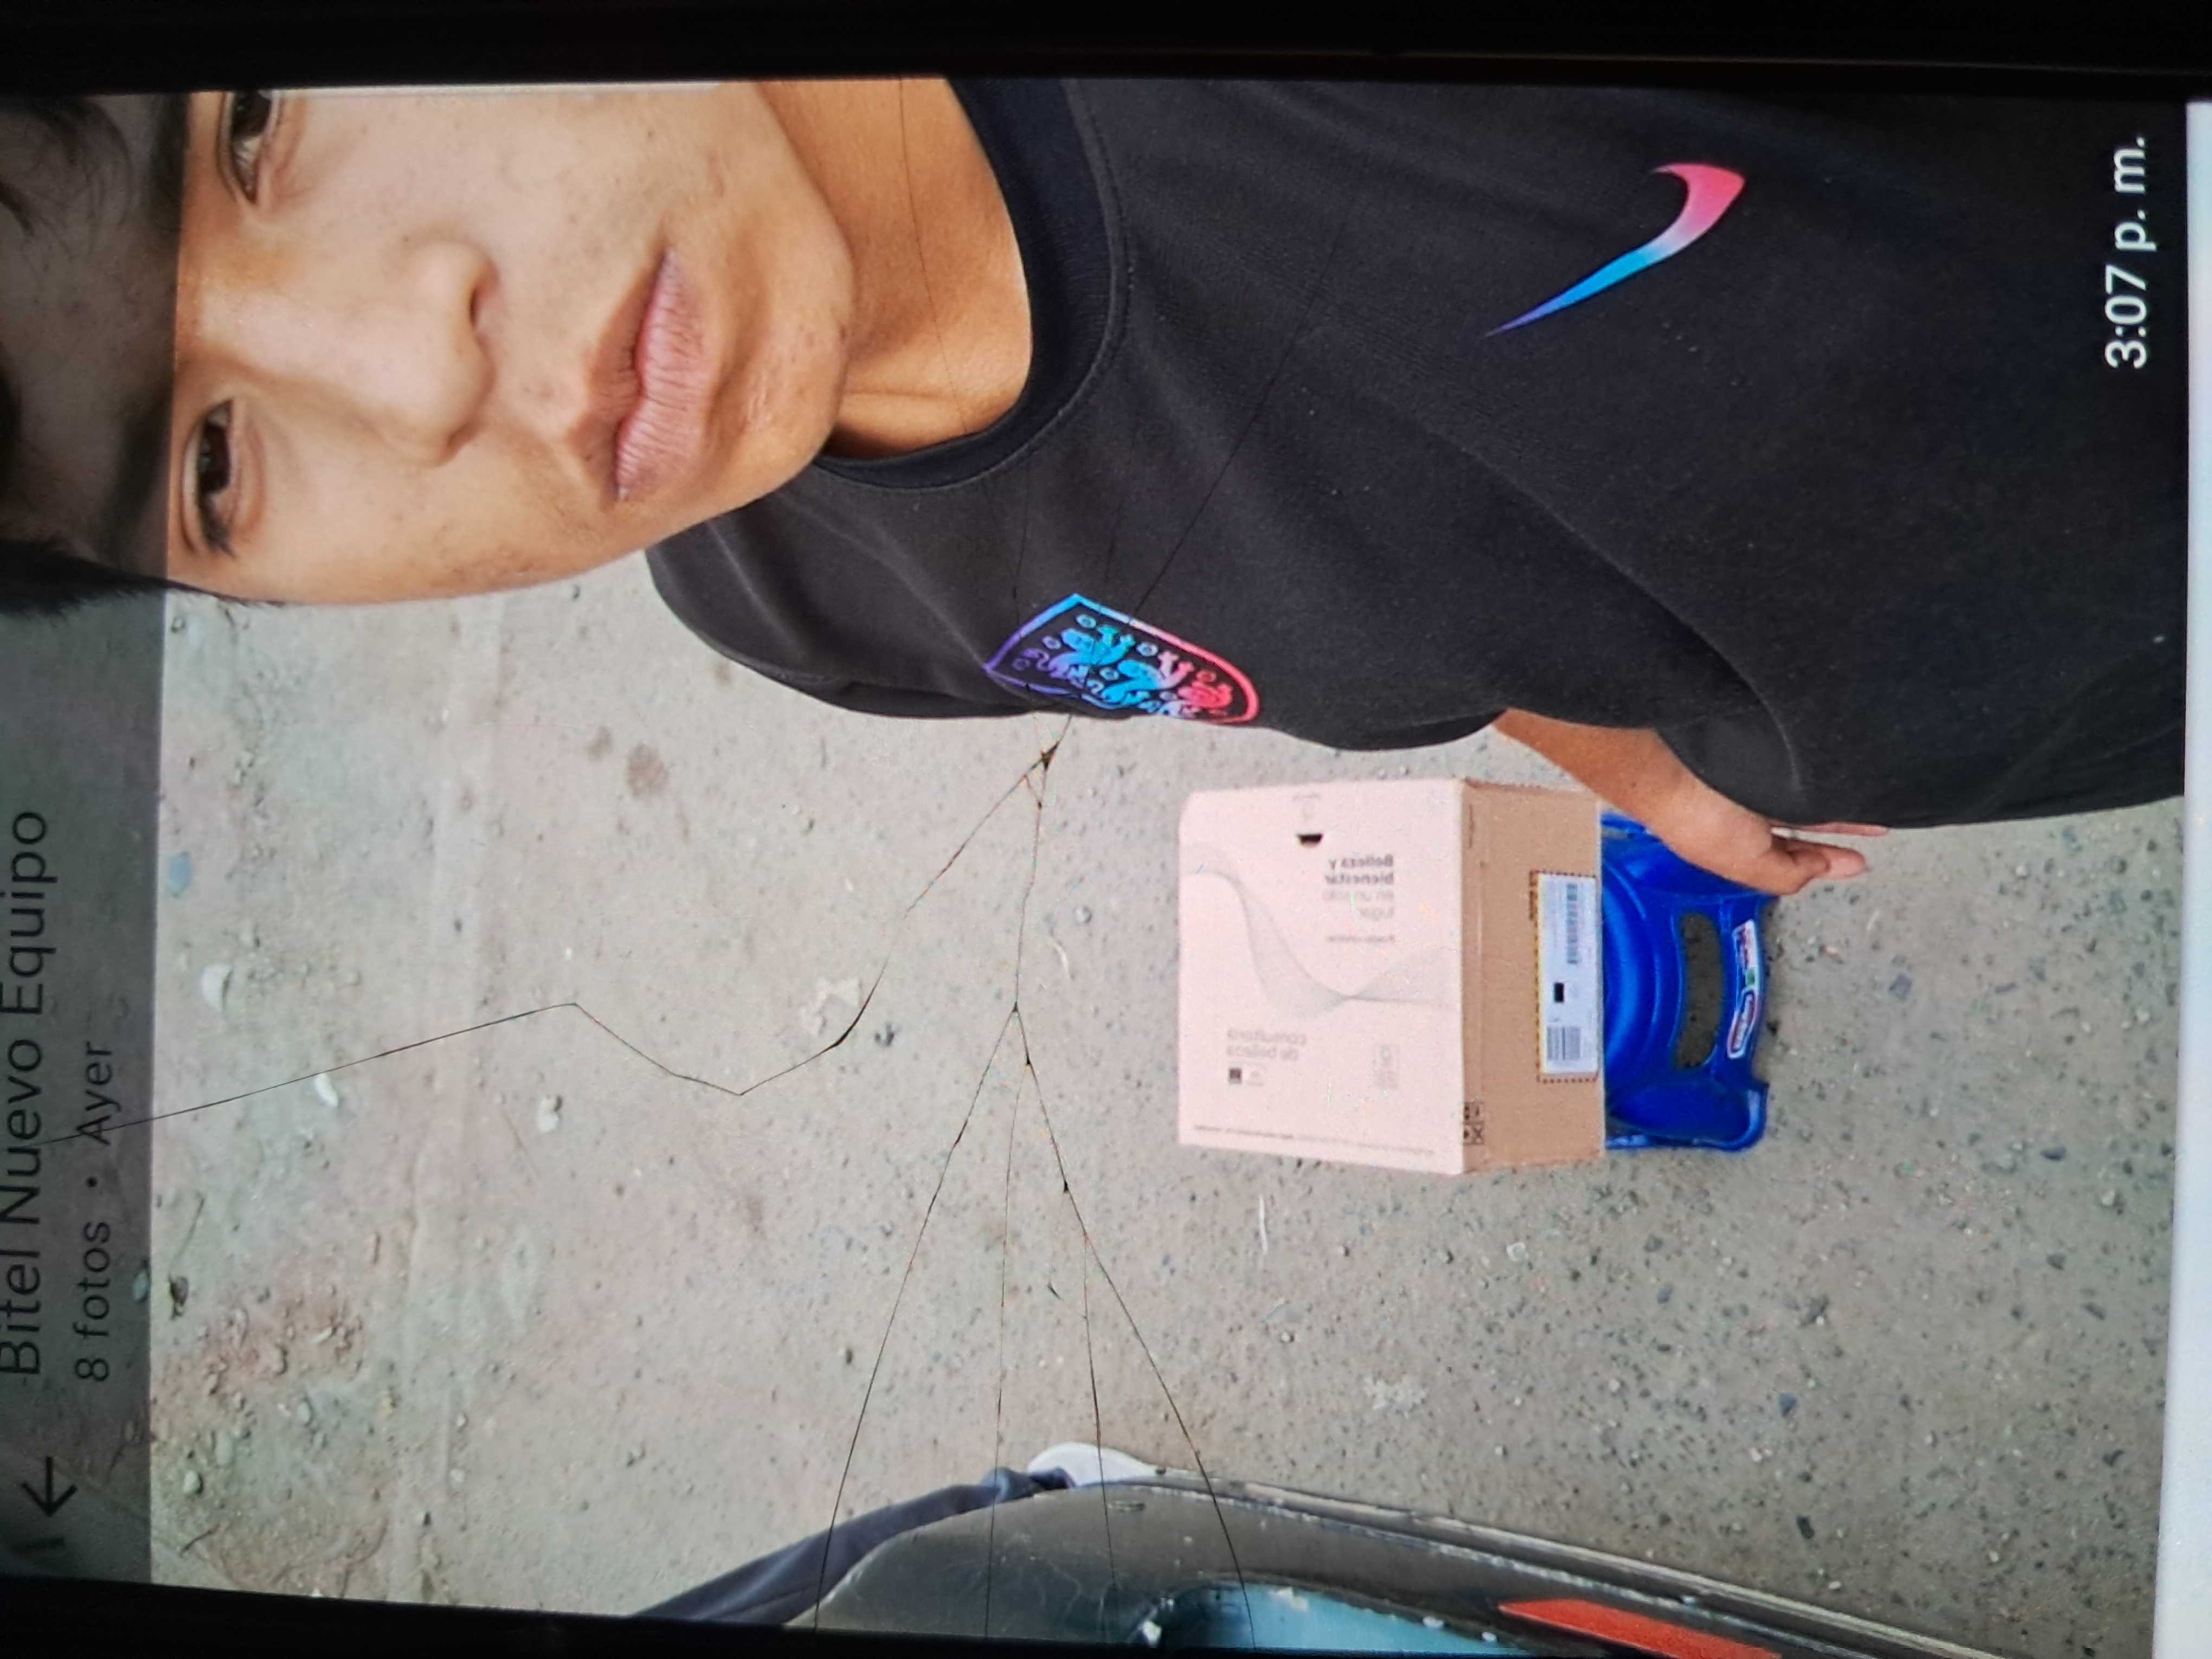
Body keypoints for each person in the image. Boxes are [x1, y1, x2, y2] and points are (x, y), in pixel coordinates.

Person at [2, 82, 2186, 896]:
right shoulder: (795, 593)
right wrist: (1629, 753)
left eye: (257, 123)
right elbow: (1333, 564)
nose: (416, 370)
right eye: (211, 467)